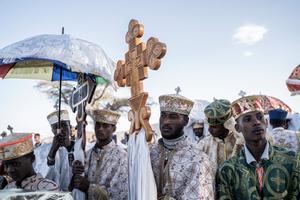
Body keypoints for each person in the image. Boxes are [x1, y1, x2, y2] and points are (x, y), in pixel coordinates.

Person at [216, 95, 300, 199]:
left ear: (266, 123)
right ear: (237, 128)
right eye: (247, 119)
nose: (256, 122)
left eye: (260, 117)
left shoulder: (291, 160)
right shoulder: (228, 169)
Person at [150, 94, 214, 199]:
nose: (166, 121)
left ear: (186, 121)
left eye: (173, 116)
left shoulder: (198, 159)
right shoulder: (149, 153)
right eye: (163, 115)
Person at [71, 109, 128, 200]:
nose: (100, 128)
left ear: (114, 129)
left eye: (105, 125)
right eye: (98, 125)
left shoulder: (122, 156)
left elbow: (120, 194)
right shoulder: (87, 154)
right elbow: (73, 187)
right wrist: (75, 175)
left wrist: (89, 188)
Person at [199, 99, 244, 174]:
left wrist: (234, 128)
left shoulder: (239, 139)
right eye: (209, 126)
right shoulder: (205, 143)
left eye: (214, 127)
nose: (209, 130)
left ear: (226, 125)